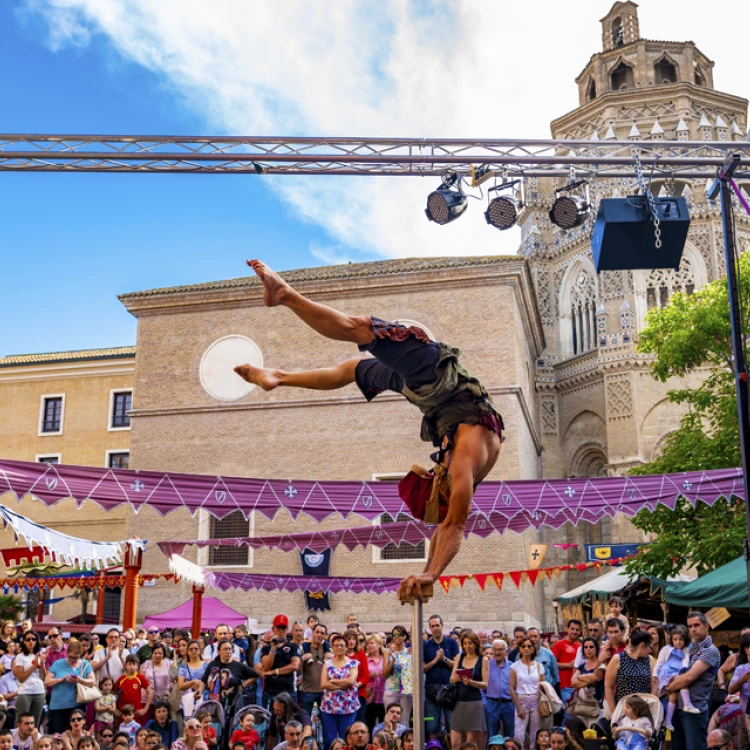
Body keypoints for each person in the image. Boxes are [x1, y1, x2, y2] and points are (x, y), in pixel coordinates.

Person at [235, 259, 504, 601]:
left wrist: (426, 573)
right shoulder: (465, 463)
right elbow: (454, 526)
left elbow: (444, 527)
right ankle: (286, 296)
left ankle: (278, 377)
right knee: (361, 329)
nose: (436, 465)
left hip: (425, 394)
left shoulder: (461, 465)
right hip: (435, 376)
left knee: (353, 369)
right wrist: (432, 574)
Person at [666, 612, 721, 750]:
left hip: (695, 709)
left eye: (696, 625)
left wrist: (668, 687)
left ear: (706, 626)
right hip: (677, 707)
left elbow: (688, 678)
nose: (693, 629)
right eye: (690, 626)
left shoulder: (711, 650)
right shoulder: (689, 648)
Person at [45, 639, 96, 734]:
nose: (73, 660)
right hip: (58, 706)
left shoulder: (85, 664)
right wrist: (61, 679)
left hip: (77, 705)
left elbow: (92, 681)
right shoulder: (58, 664)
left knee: (76, 733)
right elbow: (47, 682)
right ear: (67, 653)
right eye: (71, 657)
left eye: (75, 658)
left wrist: (79, 680)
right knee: (57, 734)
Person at [654, 625, 698, 730]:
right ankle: (687, 704)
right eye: (675, 639)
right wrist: (655, 674)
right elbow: (659, 663)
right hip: (668, 672)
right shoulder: (666, 649)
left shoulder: (686, 650)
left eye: (681, 639)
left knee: (673, 696)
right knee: (682, 681)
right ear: (671, 639)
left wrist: (684, 669)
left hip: (678, 671)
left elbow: (685, 661)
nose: (678, 642)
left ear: (685, 640)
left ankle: (668, 721)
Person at [450, 630, 488, 750]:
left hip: (473, 702)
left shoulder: (483, 660)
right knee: (455, 743)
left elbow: (485, 684)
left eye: (470, 643)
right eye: (465, 643)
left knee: (470, 743)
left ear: (476, 644)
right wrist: (458, 678)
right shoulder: (459, 657)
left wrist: (471, 682)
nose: (467, 646)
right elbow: (451, 678)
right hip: (458, 702)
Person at [320, 634, 359, 750]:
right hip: (329, 707)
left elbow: (351, 681)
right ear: (332, 647)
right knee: (330, 739)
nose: (339, 647)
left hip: (348, 706)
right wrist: (343, 684)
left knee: (346, 738)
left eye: (342, 645)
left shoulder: (353, 663)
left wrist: (332, 681)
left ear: (346, 647)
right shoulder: (327, 664)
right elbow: (323, 684)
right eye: (336, 645)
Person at [424, 615, 459, 739]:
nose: (435, 629)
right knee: (432, 727)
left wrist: (444, 659)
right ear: (429, 628)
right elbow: (422, 668)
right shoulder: (426, 645)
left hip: (449, 690)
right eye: (432, 626)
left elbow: (457, 665)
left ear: (442, 625)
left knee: (452, 726)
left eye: (437, 625)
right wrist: (434, 661)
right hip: (431, 691)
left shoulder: (452, 643)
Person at [604, 630, 653, 717]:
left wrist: (651, 704)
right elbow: (608, 687)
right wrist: (613, 711)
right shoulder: (618, 659)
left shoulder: (649, 660)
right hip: (624, 709)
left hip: (643, 711)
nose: (650, 650)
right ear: (642, 645)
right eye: (650, 647)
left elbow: (654, 683)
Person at [510, 636, 545, 750]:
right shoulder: (514, 666)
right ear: (519, 649)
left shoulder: (539, 666)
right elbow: (511, 687)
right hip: (521, 700)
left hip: (536, 700)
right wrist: (518, 707)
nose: (526, 648)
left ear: (533, 648)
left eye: (529, 646)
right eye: (523, 646)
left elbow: (543, 685)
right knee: (519, 733)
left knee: (536, 733)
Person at [260, 616, 301, 707]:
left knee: (289, 718)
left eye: (284, 628)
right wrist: (273, 648)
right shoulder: (266, 648)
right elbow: (266, 667)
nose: (281, 631)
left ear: (287, 629)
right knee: (269, 719)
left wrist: (274, 672)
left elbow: (295, 666)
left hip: (288, 690)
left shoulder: (293, 646)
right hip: (270, 691)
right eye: (278, 628)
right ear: (273, 629)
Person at [13, 631, 45, 729]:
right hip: (25, 692)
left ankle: (32, 743)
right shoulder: (20, 657)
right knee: (21, 722)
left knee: (35, 723)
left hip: (39, 691)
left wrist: (42, 663)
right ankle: (16, 743)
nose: (31, 641)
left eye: (33, 639)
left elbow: (43, 677)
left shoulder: (39, 655)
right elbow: (21, 678)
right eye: (28, 639)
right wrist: (33, 666)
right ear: (24, 642)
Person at [300, 624, 331, 719]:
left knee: (326, 722)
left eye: (322, 633)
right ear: (312, 633)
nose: (319, 635)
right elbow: (297, 670)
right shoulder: (303, 649)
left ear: (325, 636)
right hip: (307, 691)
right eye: (317, 632)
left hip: (324, 691)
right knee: (305, 721)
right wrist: (302, 659)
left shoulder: (328, 651)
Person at [485, 639, 515, 740]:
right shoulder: (487, 666)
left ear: (506, 651)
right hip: (492, 703)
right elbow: (482, 685)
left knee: (510, 734)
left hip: (509, 703)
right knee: (492, 734)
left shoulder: (512, 667)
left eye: (500, 649)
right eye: (495, 649)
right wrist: (484, 702)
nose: (497, 652)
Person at [382, 628, 411, 726]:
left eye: (399, 635)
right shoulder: (387, 651)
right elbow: (384, 674)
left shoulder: (409, 652)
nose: (396, 637)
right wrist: (393, 661)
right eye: (394, 635)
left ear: (404, 636)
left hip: (406, 691)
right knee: (390, 720)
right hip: (391, 689)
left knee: (404, 721)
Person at [569, 637, 604, 721]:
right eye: (586, 647)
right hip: (583, 706)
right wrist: (589, 680)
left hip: (598, 705)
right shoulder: (582, 666)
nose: (588, 649)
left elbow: (596, 677)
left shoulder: (601, 664)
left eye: (591, 647)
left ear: (596, 649)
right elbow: (573, 682)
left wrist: (580, 677)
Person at [727, 632, 750, 746]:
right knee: (743, 746)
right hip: (744, 715)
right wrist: (743, 679)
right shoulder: (741, 669)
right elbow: (730, 690)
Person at [552, 621, 582, 706]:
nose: (574, 631)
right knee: (569, 714)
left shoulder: (581, 646)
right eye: (572, 629)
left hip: (579, 686)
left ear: (580, 632)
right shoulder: (559, 644)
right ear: (567, 629)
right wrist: (568, 665)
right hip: (566, 687)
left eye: (577, 630)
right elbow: (553, 664)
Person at [177, 640, 208, 719]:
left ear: (200, 651)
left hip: (204, 699)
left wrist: (200, 685)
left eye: (196, 648)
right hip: (188, 700)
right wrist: (193, 682)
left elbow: (211, 683)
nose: (194, 651)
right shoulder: (183, 667)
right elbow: (180, 685)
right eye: (191, 649)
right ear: (187, 652)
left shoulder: (206, 665)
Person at [343, 631, 369, 724]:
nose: (351, 641)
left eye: (354, 639)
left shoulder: (360, 653)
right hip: (344, 695)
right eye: (349, 639)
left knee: (359, 722)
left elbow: (365, 675)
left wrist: (355, 686)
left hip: (359, 694)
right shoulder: (340, 654)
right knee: (347, 724)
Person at [364, 635, 387, 734]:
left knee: (383, 723)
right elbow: (361, 676)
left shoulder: (385, 658)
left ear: (379, 644)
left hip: (384, 696)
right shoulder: (365, 659)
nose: (369, 645)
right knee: (370, 723)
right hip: (370, 697)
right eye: (368, 643)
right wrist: (369, 675)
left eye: (372, 643)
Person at [526, 630, 559, 696]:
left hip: (546, 693)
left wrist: (549, 687)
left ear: (540, 638)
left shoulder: (549, 654)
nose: (533, 639)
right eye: (530, 637)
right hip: (528, 694)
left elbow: (555, 675)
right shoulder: (521, 656)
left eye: (535, 636)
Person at [141, 644, 173, 710]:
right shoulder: (146, 665)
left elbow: (174, 678)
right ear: (152, 653)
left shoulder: (169, 665)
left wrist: (175, 658)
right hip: (146, 700)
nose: (157, 655)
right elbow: (140, 682)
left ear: (163, 654)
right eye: (155, 653)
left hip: (163, 699)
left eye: (160, 653)